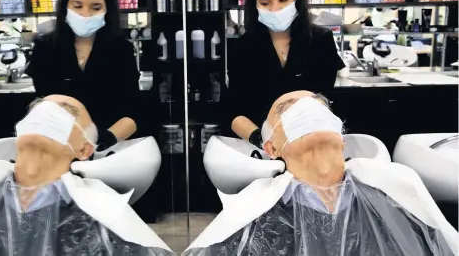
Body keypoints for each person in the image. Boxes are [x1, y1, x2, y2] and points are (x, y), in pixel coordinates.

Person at [183, 90, 458, 256]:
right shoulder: (250, 220)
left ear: (341, 134)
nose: (307, 109)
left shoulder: (397, 197)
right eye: (287, 109)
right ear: (271, 147)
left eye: (318, 106)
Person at [0, 94, 175, 256]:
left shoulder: (101, 215)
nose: (47, 112)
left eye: (66, 111)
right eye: (38, 108)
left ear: (84, 149)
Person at [228, 0, 345, 149]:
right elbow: (233, 111)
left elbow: (325, 104)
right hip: (263, 149)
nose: (275, 9)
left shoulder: (320, 40)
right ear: (254, 5)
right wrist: (263, 139)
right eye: (264, 2)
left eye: (283, 0)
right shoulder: (243, 47)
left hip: (310, 145)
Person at [25, 0, 141, 151]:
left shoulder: (121, 50)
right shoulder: (46, 48)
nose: (85, 14)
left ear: (107, 10)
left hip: (108, 150)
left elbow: (134, 112)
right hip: (60, 147)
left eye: (96, 7)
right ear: (65, 5)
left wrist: (107, 138)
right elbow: (43, 106)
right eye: (77, 6)